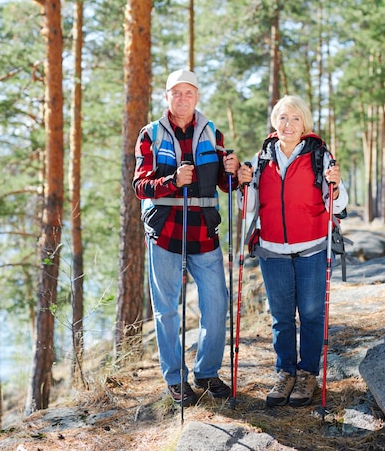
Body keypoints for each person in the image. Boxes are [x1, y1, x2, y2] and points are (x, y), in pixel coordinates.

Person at [133, 68, 240, 407]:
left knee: (216, 304)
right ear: (167, 97)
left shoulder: (212, 134)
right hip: (164, 233)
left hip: (204, 234)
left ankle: (206, 372)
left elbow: (225, 184)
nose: (183, 98)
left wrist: (234, 171)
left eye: (188, 92)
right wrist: (172, 181)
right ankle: (176, 379)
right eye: (176, 93)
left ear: (197, 97)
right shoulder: (150, 134)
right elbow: (140, 186)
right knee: (166, 311)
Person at [237, 94, 348, 408]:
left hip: (312, 249)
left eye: (295, 118)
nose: (288, 124)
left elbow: (338, 206)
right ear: (275, 121)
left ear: (305, 124)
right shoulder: (262, 157)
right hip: (273, 250)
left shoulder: (320, 155)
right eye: (283, 117)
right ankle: (285, 371)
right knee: (282, 318)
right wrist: (243, 185)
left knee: (311, 315)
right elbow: (250, 209)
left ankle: (307, 374)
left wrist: (337, 187)